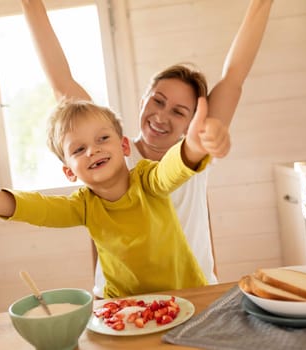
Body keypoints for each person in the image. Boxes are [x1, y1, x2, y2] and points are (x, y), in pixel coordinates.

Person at [20, 0, 273, 297]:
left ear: (192, 122)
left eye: (179, 112)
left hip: (193, 292)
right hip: (121, 300)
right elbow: (62, 83)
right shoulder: (110, 152)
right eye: (157, 101)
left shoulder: (194, 152)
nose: (162, 116)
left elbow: (234, 76)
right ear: (143, 101)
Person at [0, 97, 230, 298]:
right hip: (125, 307)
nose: (92, 150)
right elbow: (38, 208)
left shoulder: (147, 179)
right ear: (69, 172)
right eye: (79, 149)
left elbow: (171, 170)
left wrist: (192, 147)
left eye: (102, 139)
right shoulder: (82, 206)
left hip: (187, 294)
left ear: (124, 146)